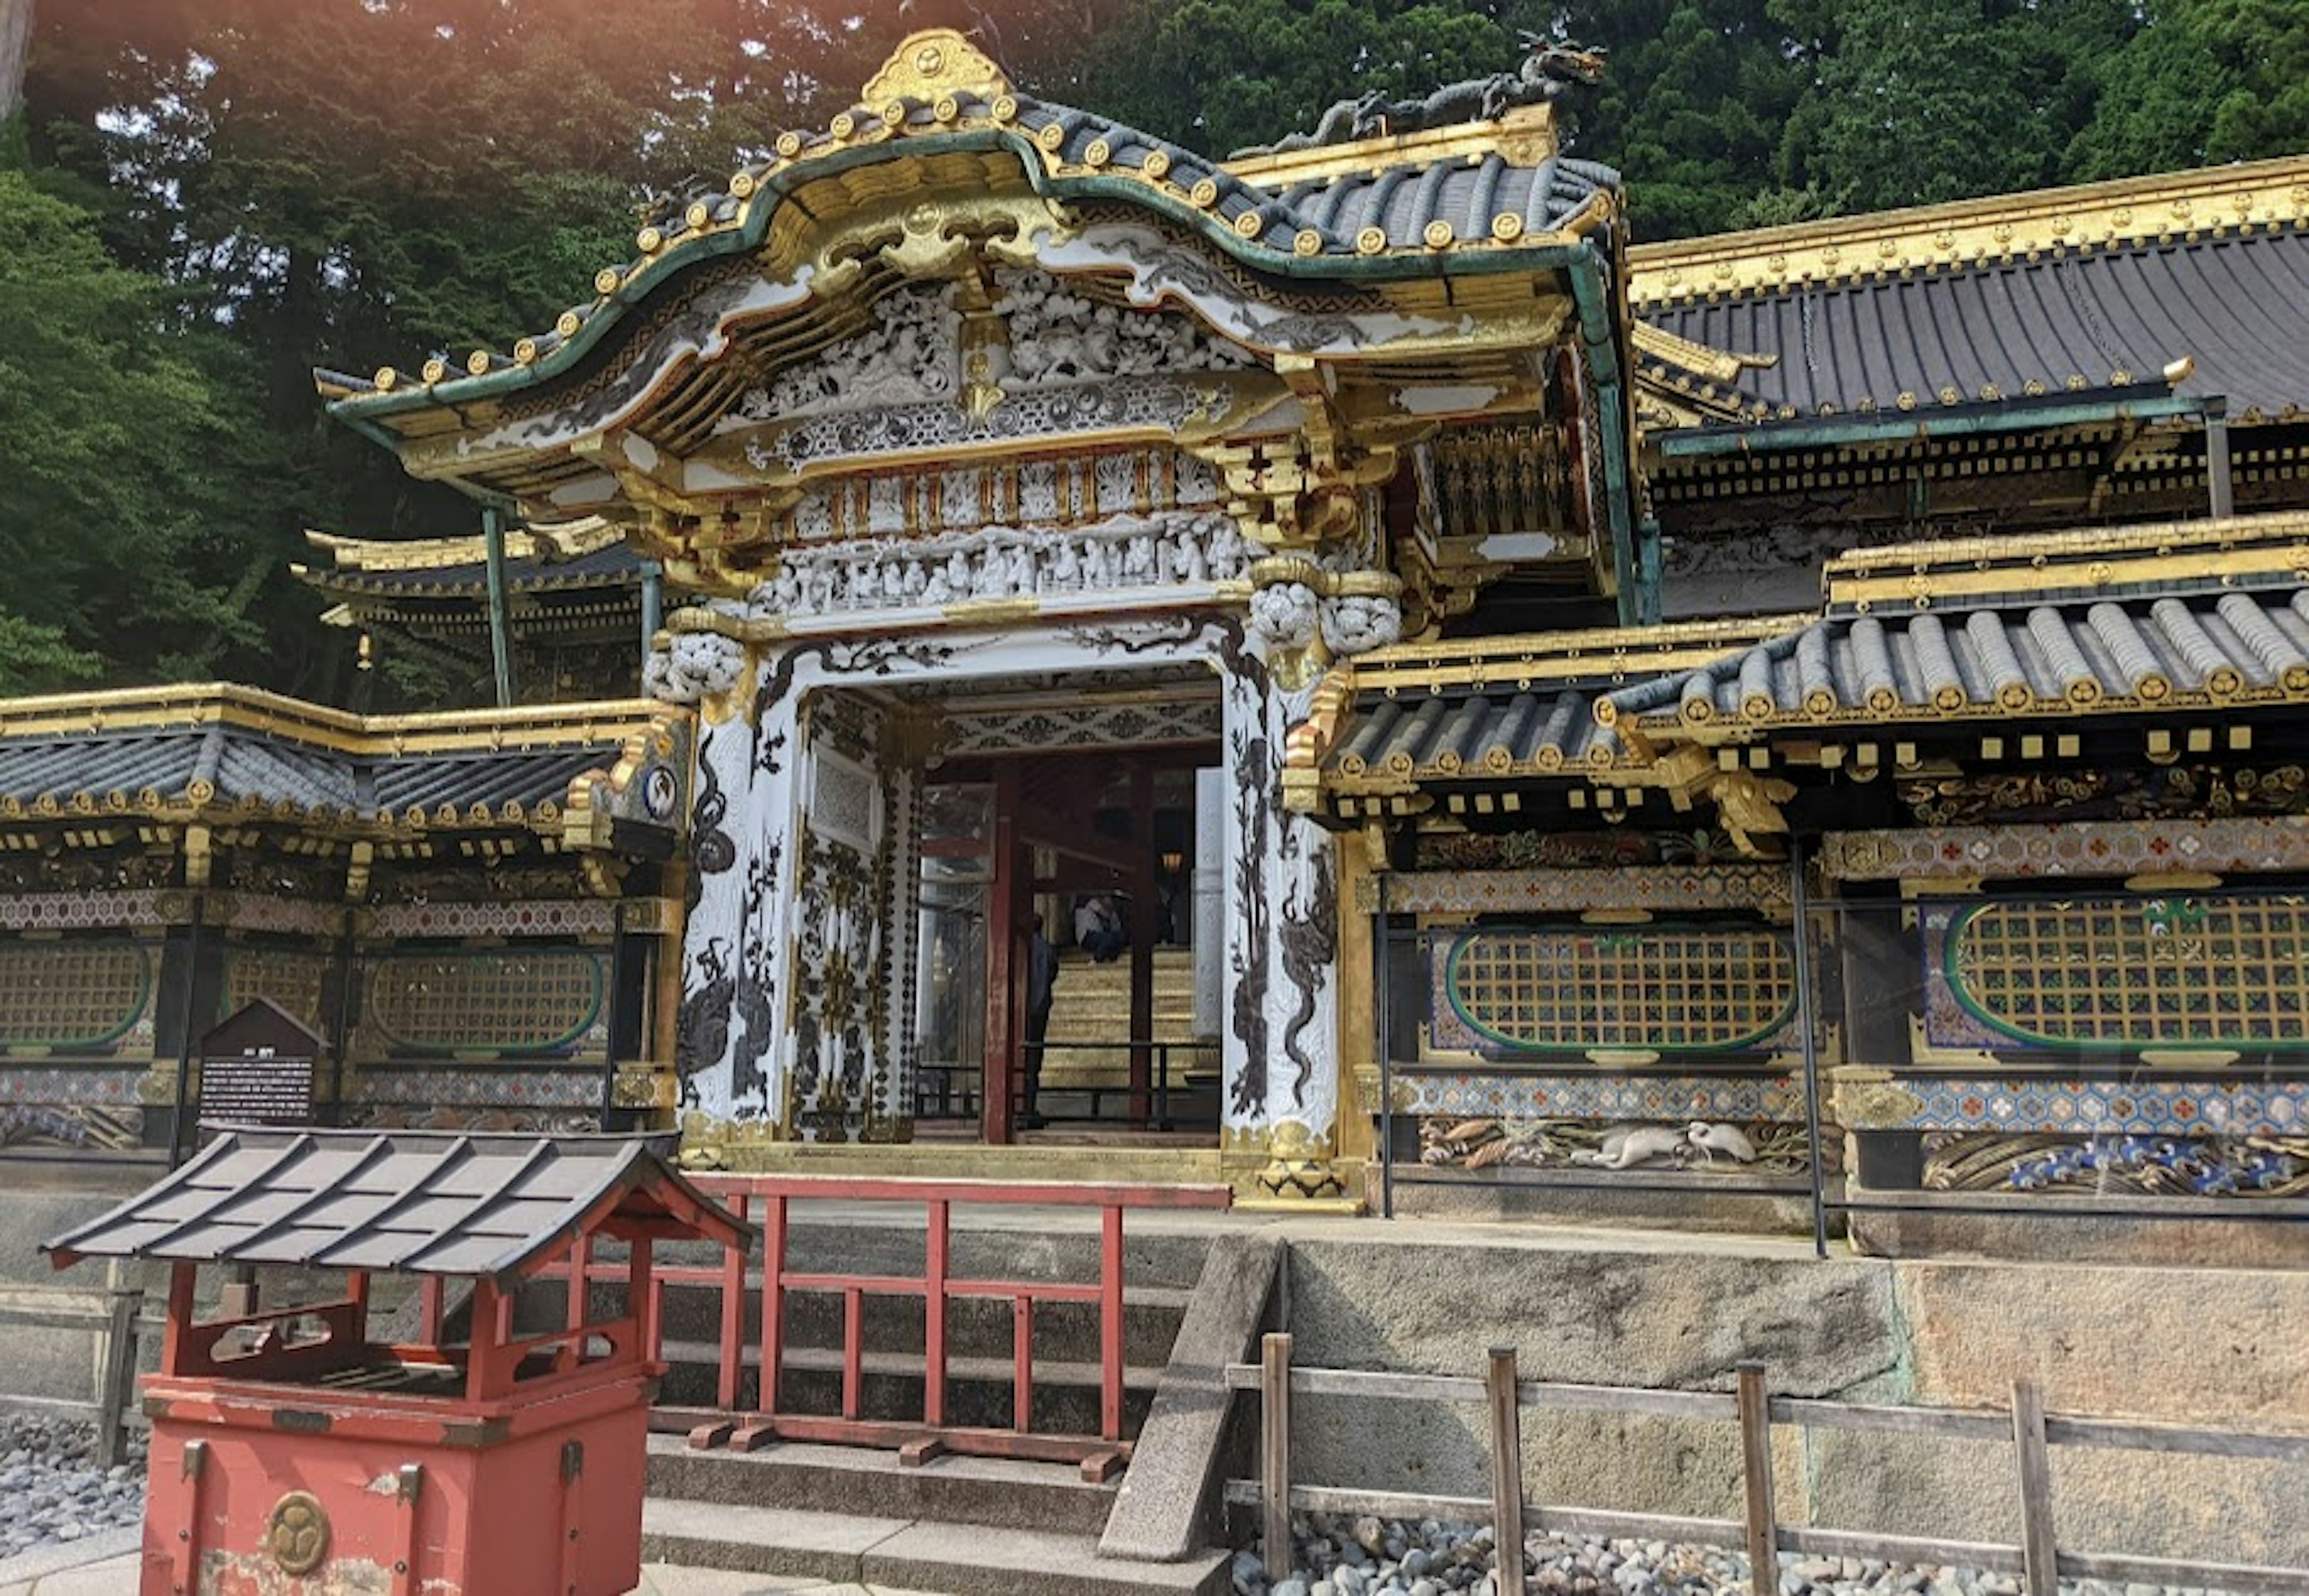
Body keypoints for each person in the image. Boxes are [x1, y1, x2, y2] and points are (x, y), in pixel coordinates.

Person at [1021, 913, 1058, 1129]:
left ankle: (1022, 1104)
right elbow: (1053, 972)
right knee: (1034, 1061)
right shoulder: (1046, 950)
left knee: (1023, 1058)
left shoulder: (1024, 947)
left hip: (1023, 1008)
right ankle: (1029, 1104)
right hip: (1040, 1007)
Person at [1074, 894, 1126, 963]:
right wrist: (1108, 904)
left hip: (1096, 936)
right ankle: (1096, 959)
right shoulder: (1091, 902)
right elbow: (1106, 914)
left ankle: (1112, 958)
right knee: (1109, 938)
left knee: (1118, 937)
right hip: (1088, 936)